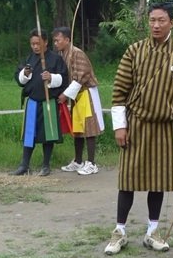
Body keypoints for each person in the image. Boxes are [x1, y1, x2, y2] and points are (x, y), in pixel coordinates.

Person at [104, 2, 173, 255]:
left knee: (158, 180)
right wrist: (120, 127)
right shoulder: (134, 51)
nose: (156, 25)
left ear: (171, 23)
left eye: (161, 20)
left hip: (165, 127)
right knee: (128, 179)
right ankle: (119, 231)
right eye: (152, 20)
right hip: (136, 124)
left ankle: (153, 231)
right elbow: (119, 91)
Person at [12, 29, 69, 176]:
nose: (35, 47)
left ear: (46, 42)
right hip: (32, 102)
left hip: (48, 102)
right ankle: (24, 165)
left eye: (38, 43)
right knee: (29, 135)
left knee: (48, 135)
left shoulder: (56, 59)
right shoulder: (29, 59)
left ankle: (46, 165)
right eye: (33, 44)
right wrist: (24, 74)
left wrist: (51, 77)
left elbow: (64, 78)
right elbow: (19, 79)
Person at [52, 27, 105, 176]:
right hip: (76, 96)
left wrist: (65, 95)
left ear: (67, 40)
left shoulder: (77, 53)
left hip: (86, 93)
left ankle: (92, 163)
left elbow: (81, 76)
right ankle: (78, 160)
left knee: (89, 129)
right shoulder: (62, 54)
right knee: (77, 129)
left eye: (58, 40)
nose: (56, 43)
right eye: (54, 41)